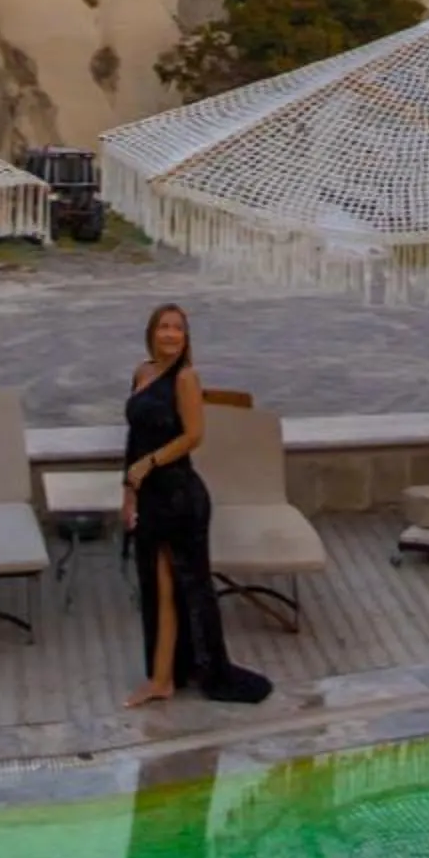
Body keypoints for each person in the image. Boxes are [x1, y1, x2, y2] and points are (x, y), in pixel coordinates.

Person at [123, 302, 272, 709]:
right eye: (164, 327)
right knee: (158, 589)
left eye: (178, 329)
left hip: (180, 497)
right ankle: (163, 677)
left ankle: (171, 675)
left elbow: (194, 436)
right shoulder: (141, 372)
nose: (170, 334)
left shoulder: (186, 378)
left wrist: (149, 464)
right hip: (150, 496)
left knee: (188, 588)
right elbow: (134, 437)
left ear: (186, 339)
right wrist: (128, 491)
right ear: (152, 332)